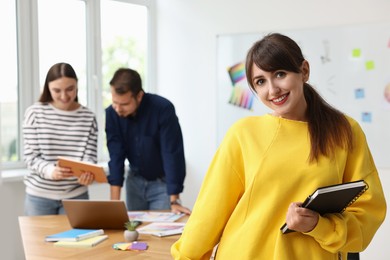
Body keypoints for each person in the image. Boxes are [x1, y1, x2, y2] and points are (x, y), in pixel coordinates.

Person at [171, 33, 386, 259]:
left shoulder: (344, 131)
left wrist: (318, 226)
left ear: (304, 71)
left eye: (280, 74)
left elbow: (367, 213)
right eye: (260, 81)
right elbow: (210, 212)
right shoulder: (243, 133)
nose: (272, 90)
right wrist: (186, 256)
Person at [105, 68, 191, 215]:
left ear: (139, 96)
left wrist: (174, 200)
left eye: (124, 104)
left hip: (162, 184)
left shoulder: (163, 109)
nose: (118, 109)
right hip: (134, 181)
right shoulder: (112, 113)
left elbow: (171, 153)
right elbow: (116, 156)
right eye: (114, 102)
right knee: (134, 230)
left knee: (159, 234)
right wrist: (113, 206)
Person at [23, 62, 98, 216]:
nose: (64, 96)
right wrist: (50, 171)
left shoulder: (88, 117)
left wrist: (88, 175)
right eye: (57, 90)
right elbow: (30, 157)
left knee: (80, 240)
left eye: (70, 89)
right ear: (47, 88)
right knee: (38, 241)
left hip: (76, 196)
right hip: (39, 197)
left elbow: (90, 158)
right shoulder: (34, 113)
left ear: (77, 86)